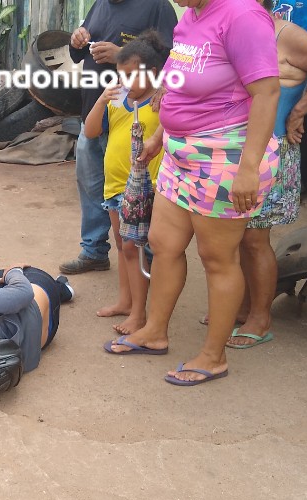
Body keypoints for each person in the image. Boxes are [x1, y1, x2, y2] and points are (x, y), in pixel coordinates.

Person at [110, 0, 279, 387]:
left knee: (217, 257)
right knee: (162, 241)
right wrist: (157, 136)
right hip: (179, 152)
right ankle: (154, 331)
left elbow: (268, 93)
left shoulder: (242, 16)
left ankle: (213, 355)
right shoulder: (191, 16)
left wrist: (248, 167)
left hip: (225, 155)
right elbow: (178, 87)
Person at [226, 1, 307, 348]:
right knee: (235, 236)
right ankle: (243, 305)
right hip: (238, 150)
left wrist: (300, 111)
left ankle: (260, 318)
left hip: (271, 151)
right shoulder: (235, 31)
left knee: (254, 239)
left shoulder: (284, 33)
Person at [59, 0, 177, 276]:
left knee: (137, 190)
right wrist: (76, 41)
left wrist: (121, 54)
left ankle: (146, 255)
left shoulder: (157, 6)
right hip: (96, 109)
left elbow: (172, 58)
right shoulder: (100, 4)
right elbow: (77, 55)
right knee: (93, 186)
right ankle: (94, 251)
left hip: (135, 118)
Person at [83, 31, 167, 337]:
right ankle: (125, 300)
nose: (126, 81)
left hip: (146, 188)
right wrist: (101, 100)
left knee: (135, 248)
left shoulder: (162, 100)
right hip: (115, 186)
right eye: (121, 74)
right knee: (122, 245)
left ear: (154, 73)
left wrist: (165, 87)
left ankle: (138, 313)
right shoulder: (117, 98)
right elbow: (91, 132)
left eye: (132, 74)